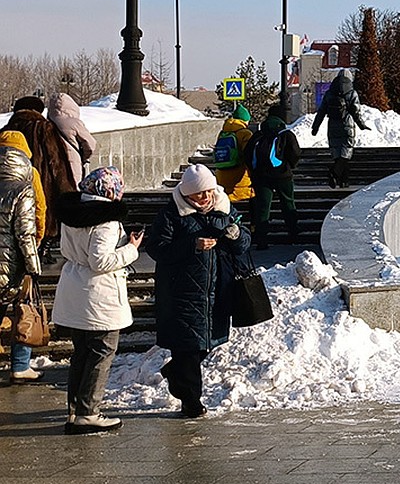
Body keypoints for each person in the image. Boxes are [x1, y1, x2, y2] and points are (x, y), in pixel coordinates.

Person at [144, 164, 250, 418]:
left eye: (208, 192)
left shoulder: (224, 208)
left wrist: (236, 235)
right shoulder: (172, 215)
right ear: (186, 194)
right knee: (188, 348)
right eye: (198, 194)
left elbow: (244, 244)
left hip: (217, 290)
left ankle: (175, 371)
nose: (205, 198)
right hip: (181, 292)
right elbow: (156, 248)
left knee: (205, 344)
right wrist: (191, 245)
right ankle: (191, 401)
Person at [51, 167, 142, 434]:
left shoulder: (72, 214)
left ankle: (74, 410)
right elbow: (100, 260)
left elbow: (70, 250)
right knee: (102, 351)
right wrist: (131, 249)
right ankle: (88, 413)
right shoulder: (106, 220)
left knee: (81, 353)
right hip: (98, 295)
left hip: (74, 288)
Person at [4, 96, 75, 253]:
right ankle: (42, 249)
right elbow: (57, 161)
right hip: (41, 187)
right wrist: (68, 192)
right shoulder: (44, 128)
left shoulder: (6, 131)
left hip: (7, 194)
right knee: (41, 216)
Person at [0, 130, 41, 383]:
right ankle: (20, 365)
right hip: (10, 265)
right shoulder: (22, 188)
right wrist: (33, 266)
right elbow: (25, 233)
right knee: (21, 311)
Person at [245, 104, 301, 249]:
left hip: (261, 177)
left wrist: (255, 170)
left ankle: (262, 240)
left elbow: (247, 154)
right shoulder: (286, 134)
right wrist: (289, 166)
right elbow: (295, 152)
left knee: (263, 207)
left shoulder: (258, 134)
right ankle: (293, 234)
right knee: (288, 203)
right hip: (283, 175)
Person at [312, 69, 370, 188]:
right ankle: (334, 173)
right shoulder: (351, 93)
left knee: (338, 154)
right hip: (347, 125)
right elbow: (356, 111)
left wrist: (315, 127)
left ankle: (343, 181)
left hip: (333, 126)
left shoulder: (329, 93)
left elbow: (321, 111)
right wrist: (361, 125)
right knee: (346, 154)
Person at [46, 92, 96, 190]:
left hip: (51, 165)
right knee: (73, 192)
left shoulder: (46, 124)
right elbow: (91, 144)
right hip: (72, 164)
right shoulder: (74, 123)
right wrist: (84, 156)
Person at [212, 104, 255, 205]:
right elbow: (249, 155)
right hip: (240, 179)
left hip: (221, 175)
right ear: (245, 120)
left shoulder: (223, 133)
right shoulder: (245, 133)